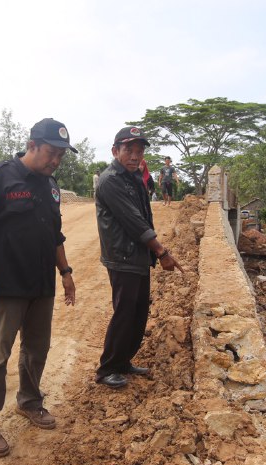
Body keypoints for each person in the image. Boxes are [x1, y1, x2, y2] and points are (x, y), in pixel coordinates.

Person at [0, 118, 77, 457]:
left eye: (61, 155)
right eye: (51, 153)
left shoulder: (51, 185)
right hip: (7, 283)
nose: (55, 160)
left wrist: (66, 271)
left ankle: (29, 401)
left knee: (37, 348)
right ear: (31, 145)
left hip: (42, 283)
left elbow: (54, 234)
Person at [94, 127, 183, 388]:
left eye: (139, 151)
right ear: (115, 151)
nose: (134, 156)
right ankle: (107, 368)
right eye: (128, 150)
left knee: (138, 311)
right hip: (122, 257)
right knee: (125, 312)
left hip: (137, 256)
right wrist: (161, 250)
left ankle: (123, 361)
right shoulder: (110, 180)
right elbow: (133, 221)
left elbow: (144, 216)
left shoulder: (134, 177)